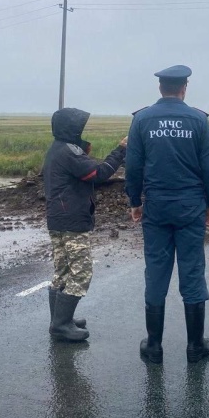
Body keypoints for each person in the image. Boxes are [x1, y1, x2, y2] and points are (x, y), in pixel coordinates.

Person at [125, 65, 209, 363]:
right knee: (192, 271)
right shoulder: (199, 121)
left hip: (156, 207)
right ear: (184, 88)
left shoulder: (141, 120)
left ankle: (153, 347)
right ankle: (195, 347)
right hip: (190, 207)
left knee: (156, 271)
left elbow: (134, 167)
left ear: (160, 88)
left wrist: (134, 201)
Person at [43, 107, 127, 341]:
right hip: (72, 220)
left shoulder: (57, 149)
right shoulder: (69, 152)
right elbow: (98, 174)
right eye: (79, 127)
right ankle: (60, 325)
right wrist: (121, 150)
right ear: (71, 128)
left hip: (57, 218)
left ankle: (60, 320)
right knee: (81, 273)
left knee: (62, 271)